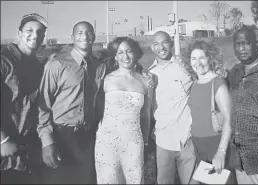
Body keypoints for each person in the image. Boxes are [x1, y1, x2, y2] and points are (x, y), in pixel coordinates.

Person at [37, 21, 103, 184]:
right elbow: (43, 103)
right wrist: (47, 141)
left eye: (88, 32)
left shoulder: (99, 66)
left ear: (94, 37)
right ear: (72, 37)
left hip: (89, 136)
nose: (84, 36)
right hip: (62, 135)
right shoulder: (57, 65)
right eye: (79, 33)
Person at [94, 37, 153, 184]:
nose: (125, 56)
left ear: (136, 54)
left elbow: (146, 114)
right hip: (106, 143)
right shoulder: (105, 79)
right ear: (115, 56)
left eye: (128, 51)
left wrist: (145, 142)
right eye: (120, 52)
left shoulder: (147, 81)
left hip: (134, 142)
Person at [1, 13, 47, 184]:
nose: (35, 35)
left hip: (27, 148)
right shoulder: (4, 60)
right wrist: (3, 139)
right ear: (19, 33)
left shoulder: (39, 65)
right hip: (5, 148)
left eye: (40, 32)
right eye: (29, 30)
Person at [148, 31, 197, 184]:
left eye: (164, 42)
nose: (161, 47)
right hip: (163, 140)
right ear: (151, 47)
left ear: (171, 44)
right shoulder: (149, 74)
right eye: (156, 44)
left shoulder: (186, 65)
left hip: (187, 139)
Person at [186, 40, 235, 183]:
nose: (198, 62)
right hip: (198, 145)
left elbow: (229, 119)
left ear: (210, 58)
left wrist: (221, 152)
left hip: (214, 144)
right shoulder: (194, 83)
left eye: (202, 57)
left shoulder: (217, 83)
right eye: (193, 58)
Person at [227, 26, 258, 184]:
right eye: (237, 45)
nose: (241, 48)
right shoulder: (234, 72)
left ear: (256, 43)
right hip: (240, 158)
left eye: (246, 43)